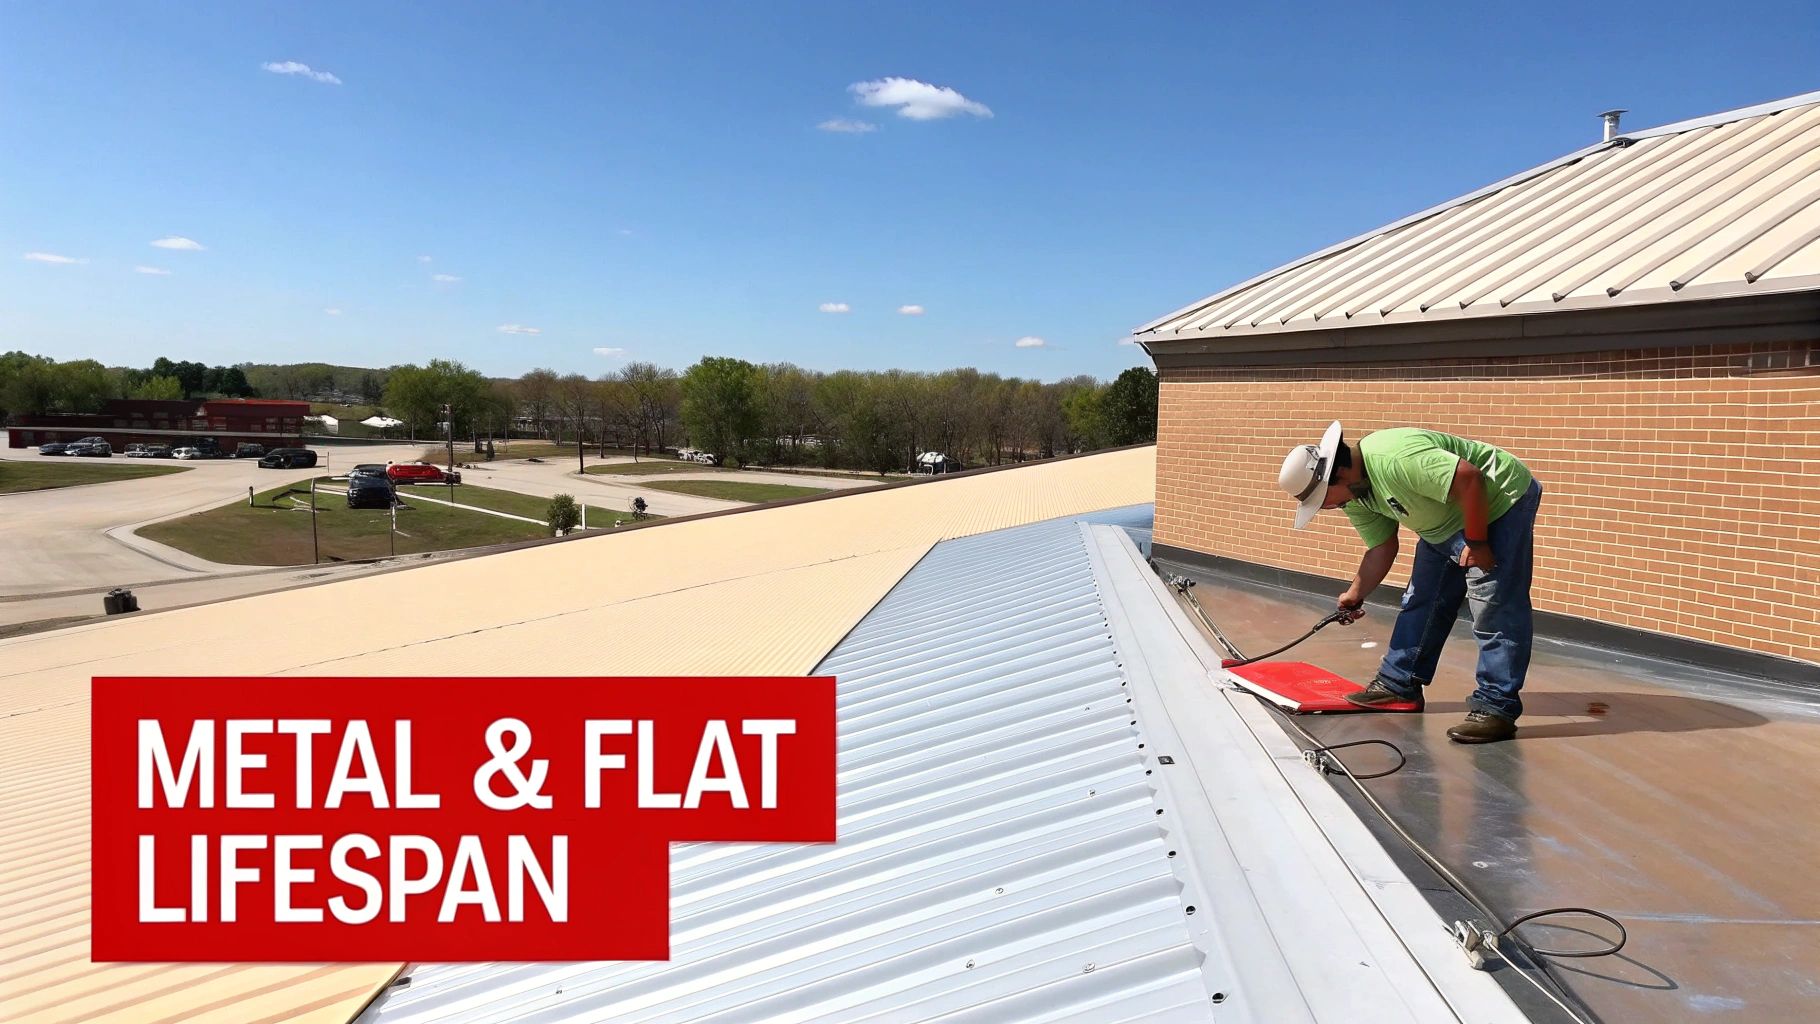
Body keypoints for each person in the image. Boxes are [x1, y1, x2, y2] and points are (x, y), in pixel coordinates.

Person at [1276, 422, 1543, 744]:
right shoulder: (1356, 496)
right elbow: (1381, 547)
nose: (1327, 507)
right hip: (1441, 522)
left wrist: (1478, 542)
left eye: (1323, 499)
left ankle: (1496, 707)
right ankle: (1397, 684)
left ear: (1340, 475)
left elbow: (1469, 478)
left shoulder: (1394, 457)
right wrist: (1355, 594)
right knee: (1422, 599)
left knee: (1494, 605)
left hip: (1499, 501)